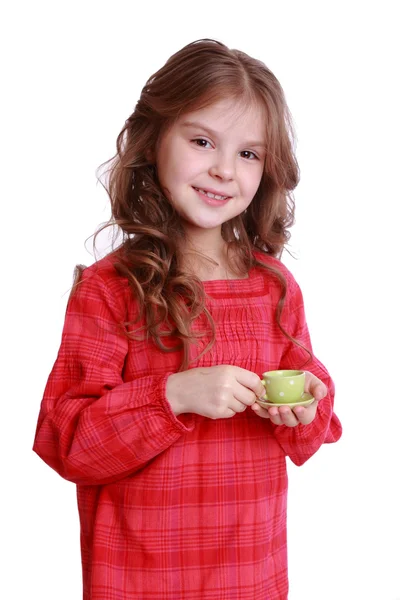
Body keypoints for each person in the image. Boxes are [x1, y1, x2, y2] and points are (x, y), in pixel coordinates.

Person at [33, 38, 342, 600]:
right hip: (139, 580)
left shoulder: (274, 288)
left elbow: (311, 428)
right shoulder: (110, 288)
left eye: (249, 153)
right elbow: (68, 442)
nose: (224, 170)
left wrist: (305, 405)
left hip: (252, 577)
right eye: (202, 141)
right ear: (153, 142)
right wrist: (170, 395)